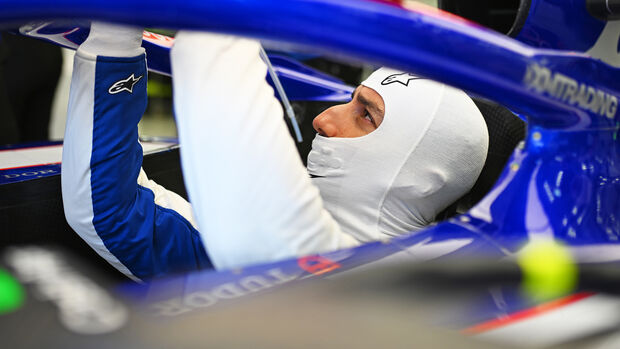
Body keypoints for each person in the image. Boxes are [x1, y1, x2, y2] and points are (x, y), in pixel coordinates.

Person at [62, 22, 488, 281]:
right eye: (351, 100)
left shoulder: (428, 283)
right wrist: (113, 36)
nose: (323, 120)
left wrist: (213, 19)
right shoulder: (241, 244)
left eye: (366, 115)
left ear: (422, 177)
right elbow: (111, 213)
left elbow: (294, 255)